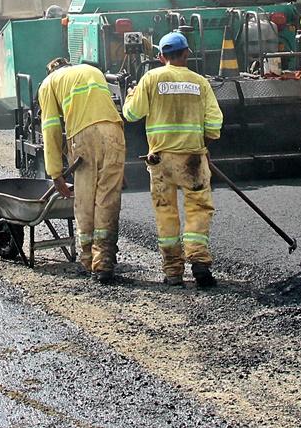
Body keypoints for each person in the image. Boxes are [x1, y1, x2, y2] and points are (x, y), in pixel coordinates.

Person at [122, 31, 223, 288]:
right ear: (187, 53)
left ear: (160, 56)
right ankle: (199, 262)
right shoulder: (200, 82)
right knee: (199, 209)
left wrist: (132, 94)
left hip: (160, 160)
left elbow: (132, 114)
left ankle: (173, 272)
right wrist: (203, 145)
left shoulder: (151, 78)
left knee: (166, 213)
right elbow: (214, 123)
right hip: (192, 160)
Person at [37, 57, 127, 283]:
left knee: (85, 199)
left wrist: (55, 171)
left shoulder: (49, 84)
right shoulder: (92, 70)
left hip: (85, 137)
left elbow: (51, 128)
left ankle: (88, 259)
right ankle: (105, 260)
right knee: (108, 198)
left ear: (51, 70)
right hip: (115, 132)